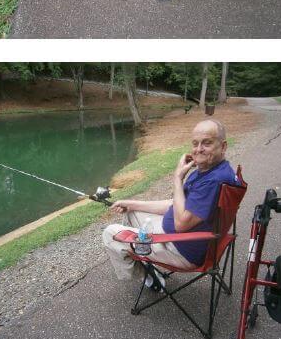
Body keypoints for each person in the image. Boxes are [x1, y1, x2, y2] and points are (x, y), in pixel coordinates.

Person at [102, 119, 238, 284]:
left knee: (111, 234)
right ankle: (145, 263)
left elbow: (181, 223)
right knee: (132, 212)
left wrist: (178, 177)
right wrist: (131, 203)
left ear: (223, 147)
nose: (199, 149)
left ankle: (149, 277)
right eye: (195, 144)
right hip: (184, 238)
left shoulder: (213, 180)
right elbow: (175, 205)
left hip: (182, 248)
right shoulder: (211, 170)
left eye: (207, 143)